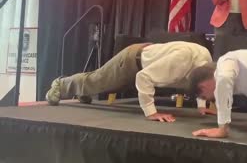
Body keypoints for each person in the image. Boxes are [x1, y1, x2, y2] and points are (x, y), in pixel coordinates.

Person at [46, 41, 216, 122]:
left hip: (142, 58)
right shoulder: (183, 60)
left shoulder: (205, 62)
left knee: (96, 81)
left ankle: (83, 90)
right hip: (130, 61)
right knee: (95, 80)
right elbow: (143, 77)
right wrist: (151, 112)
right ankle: (60, 85)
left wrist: (202, 106)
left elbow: (202, 82)